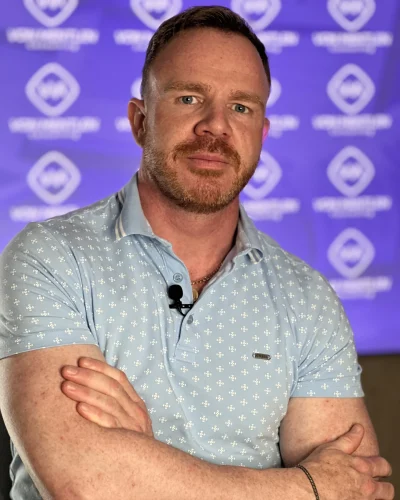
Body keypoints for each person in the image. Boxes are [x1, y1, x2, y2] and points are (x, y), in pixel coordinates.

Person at [0, 5, 394, 500]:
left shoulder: (307, 298)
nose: (215, 126)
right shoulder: (51, 258)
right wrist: (307, 486)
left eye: (241, 108)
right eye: (189, 98)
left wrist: (142, 461)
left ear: (261, 135)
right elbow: (87, 482)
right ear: (140, 121)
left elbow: (358, 490)